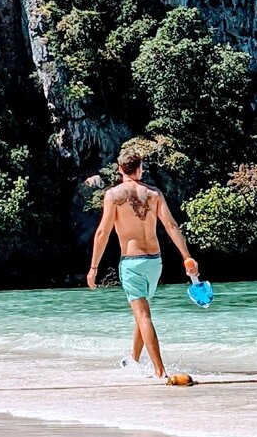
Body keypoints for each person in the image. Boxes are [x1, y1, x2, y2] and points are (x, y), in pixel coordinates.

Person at [85, 147, 199, 379]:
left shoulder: (113, 196)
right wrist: (186, 255)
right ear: (140, 169)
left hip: (131, 262)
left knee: (143, 315)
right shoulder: (154, 194)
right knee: (142, 311)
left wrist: (94, 267)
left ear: (120, 169)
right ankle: (134, 360)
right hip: (154, 263)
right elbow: (171, 226)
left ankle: (159, 370)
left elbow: (103, 232)